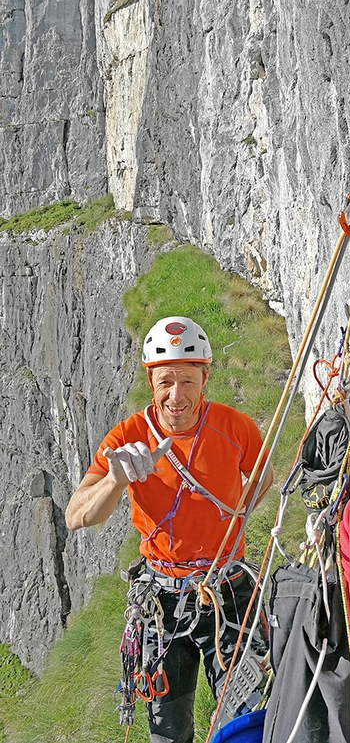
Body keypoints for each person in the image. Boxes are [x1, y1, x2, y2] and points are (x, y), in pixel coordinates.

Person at [65, 315, 274, 743]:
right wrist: (115, 479)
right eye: (165, 382)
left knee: (247, 718)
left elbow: (263, 475)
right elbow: (77, 515)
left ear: (205, 377)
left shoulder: (235, 428)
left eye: (187, 381)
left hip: (227, 589)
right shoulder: (127, 436)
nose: (176, 396)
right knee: (168, 731)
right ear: (150, 380)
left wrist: (234, 517)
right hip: (162, 598)